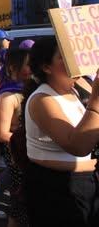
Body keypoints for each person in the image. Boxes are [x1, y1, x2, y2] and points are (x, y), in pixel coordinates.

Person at [22, 37, 99, 226]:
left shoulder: (76, 89)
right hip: (57, 190)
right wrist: (96, 100)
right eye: (64, 57)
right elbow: (78, 146)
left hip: (82, 184)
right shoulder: (42, 99)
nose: (74, 62)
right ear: (46, 67)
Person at [0, 48, 31, 227]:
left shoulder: (32, 90)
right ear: (13, 68)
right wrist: (31, 142)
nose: (32, 68)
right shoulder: (8, 96)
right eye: (27, 64)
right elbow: (2, 134)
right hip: (17, 154)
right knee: (21, 199)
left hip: (31, 152)